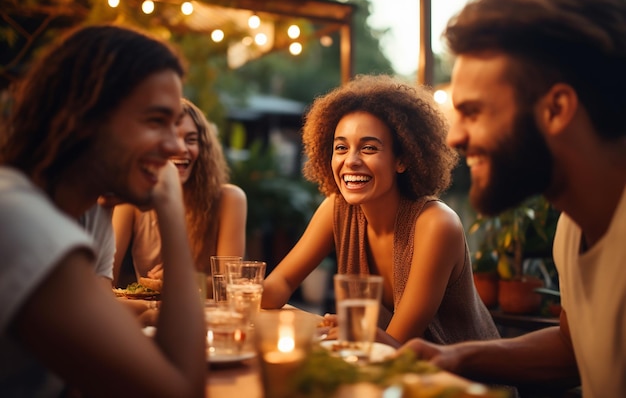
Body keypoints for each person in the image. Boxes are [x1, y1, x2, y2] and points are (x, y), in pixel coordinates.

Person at [401, 0, 626, 397]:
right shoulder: (573, 226)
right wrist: (456, 357)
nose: (455, 137)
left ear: (557, 109)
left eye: (473, 112)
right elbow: (572, 348)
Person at [0, 24, 206, 397]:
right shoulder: (19, 220)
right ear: (85, 117)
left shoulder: (91, 216)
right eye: (156, 121)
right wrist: (171, 209)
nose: (176, 146)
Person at [262, 74, 500, 346]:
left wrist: (359, 332)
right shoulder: (337, 209)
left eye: (369, 148)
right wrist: (228, 290)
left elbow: (397, 342)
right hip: (390, 370)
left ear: (402, 159)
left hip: (458, 381)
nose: (350, 161)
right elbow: (279, 284)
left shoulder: (437, 224)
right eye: (341, 147)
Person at [112, 98, 247, 294]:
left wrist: (182, 280)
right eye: (171, 138)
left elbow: (229, 286)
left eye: (191, 140)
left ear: (204, 149)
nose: (181, 148)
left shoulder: (230, 199)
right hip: (148, 313)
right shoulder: (130, 200)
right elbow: (105, 278)